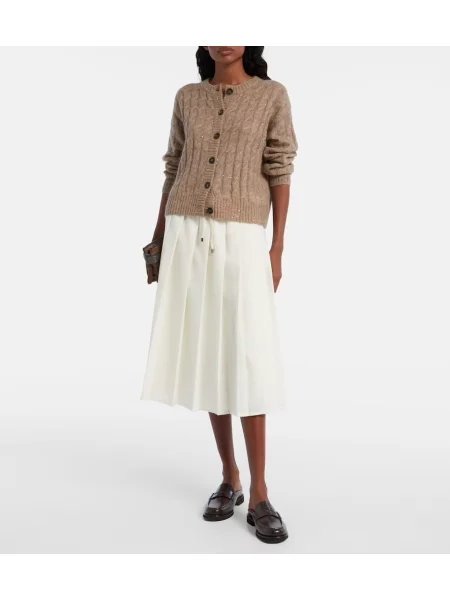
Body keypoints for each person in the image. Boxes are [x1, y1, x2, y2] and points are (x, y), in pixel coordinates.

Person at [140, 46, 298, 544]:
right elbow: (173, 168)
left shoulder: (272, 95)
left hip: (243, 236)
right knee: (210, 354)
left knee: (248, 358)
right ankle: (230, 477)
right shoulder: (187, 97)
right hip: (186, 233)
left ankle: (261, 493)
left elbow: (280, 167)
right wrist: (159, 237)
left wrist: (276, 248)